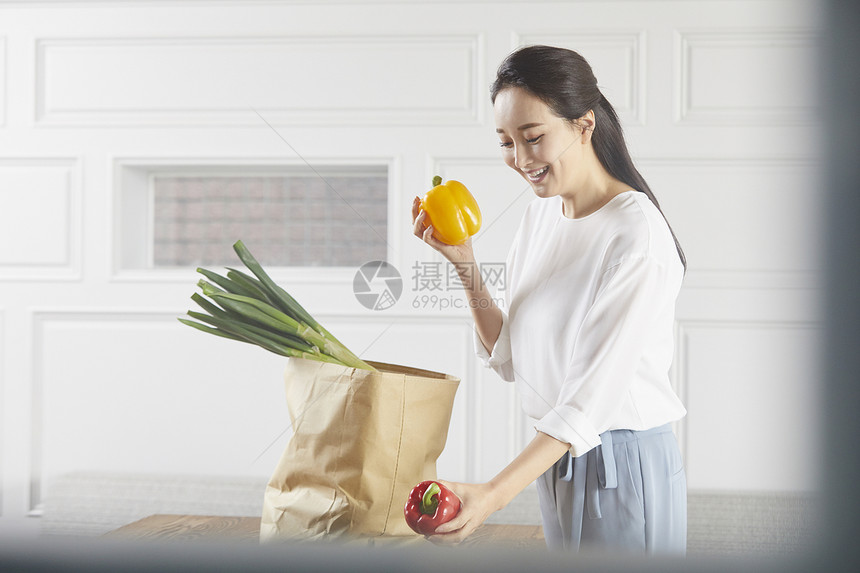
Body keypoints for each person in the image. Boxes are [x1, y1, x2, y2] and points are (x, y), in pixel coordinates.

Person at [411, 45, 688, 554]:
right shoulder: (541, 216)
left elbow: (587, 401)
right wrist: (465, 263)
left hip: (619, 463)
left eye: (533, 138)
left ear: (584, 124)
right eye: (505, 142)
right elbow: (510, 355)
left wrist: (492, 495)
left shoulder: (636, 235)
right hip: (557, 456)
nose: (519, 160)